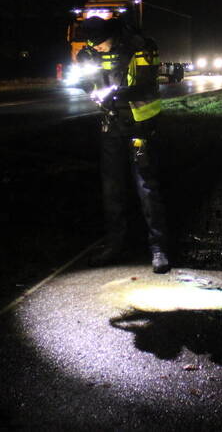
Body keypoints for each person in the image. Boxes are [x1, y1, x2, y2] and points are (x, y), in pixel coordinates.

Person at [82, 16, 171, 274]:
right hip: (112, 125)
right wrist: (92, 91)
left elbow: (145, 84)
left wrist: (114, 94)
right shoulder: (90, 52)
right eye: (92, 44)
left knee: (147, 187)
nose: (96, 47)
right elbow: (85, 79)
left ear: (113, 36)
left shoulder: (141, 47)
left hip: (140, 125)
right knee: (112, 189)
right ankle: (115, 244)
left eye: (99, 43)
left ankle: (158, 249)